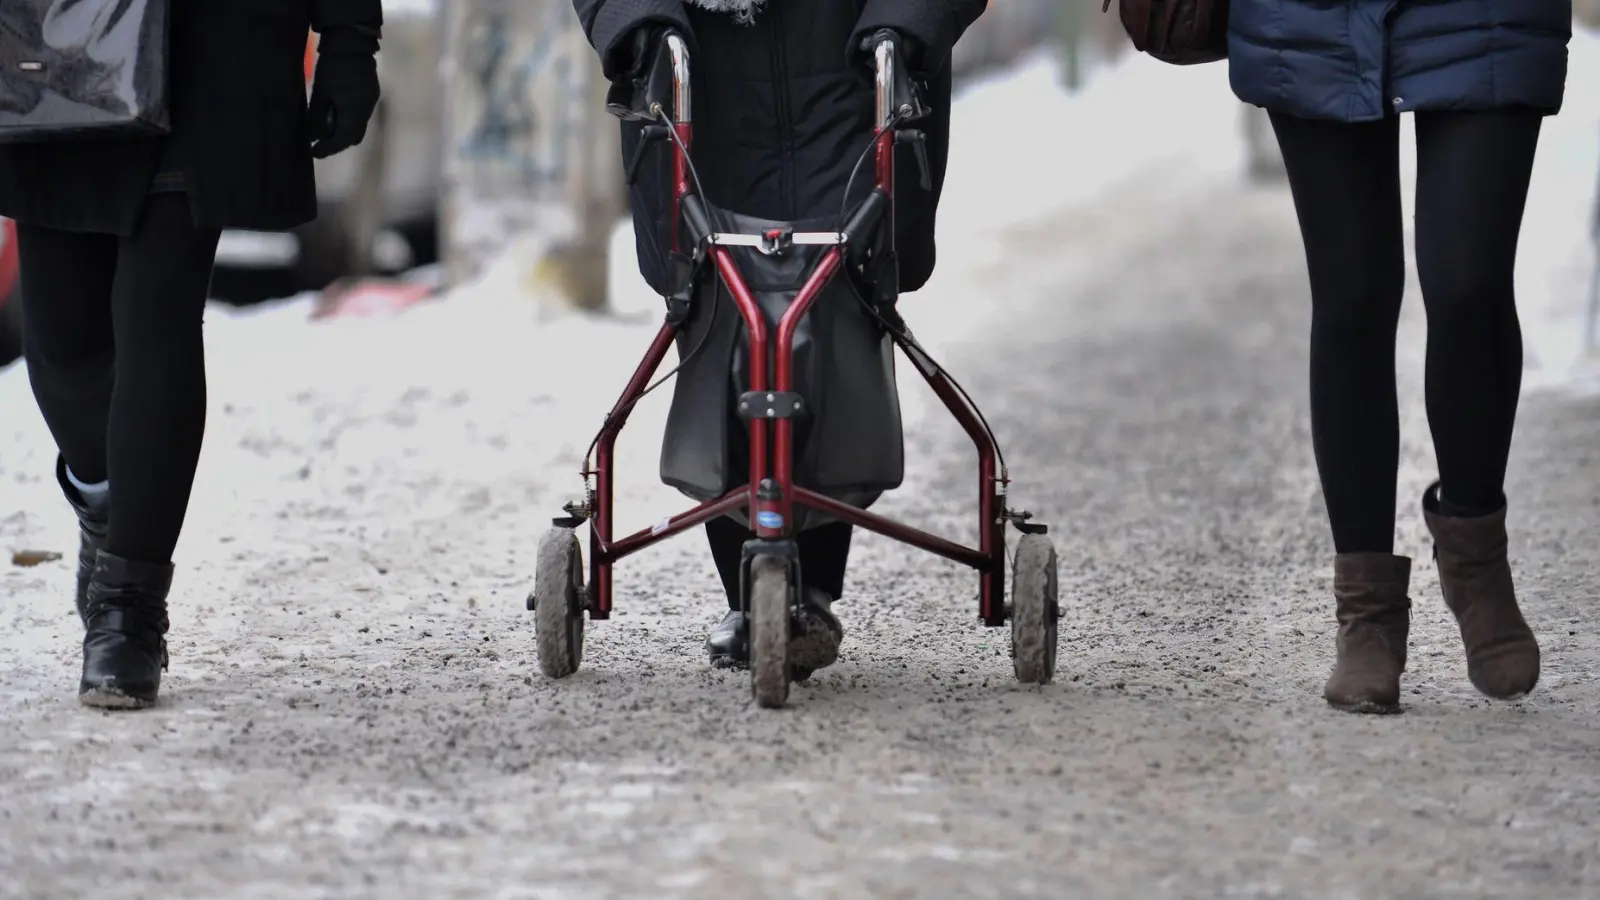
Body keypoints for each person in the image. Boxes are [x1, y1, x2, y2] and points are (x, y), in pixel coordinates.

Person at [573, 0, 985, 674]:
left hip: (852, 91)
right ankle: (752, 587)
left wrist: (908, 23)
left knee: (836, 319)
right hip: (700, 97)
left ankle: (808, 582)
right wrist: (637, 21)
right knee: (721, 320)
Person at [0, 0, 383, 709]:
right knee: (63, 347)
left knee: (160, 316)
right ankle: (107, 501)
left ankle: (128, 610)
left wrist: (349, 41)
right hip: (59, 44)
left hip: (214, 55)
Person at [1228, 1, 1572, 712]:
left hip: (1483, 15)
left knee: (1470, 282)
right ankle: (1367, 615)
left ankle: (1476, 560)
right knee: (1352, 296)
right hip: (1313, 15)